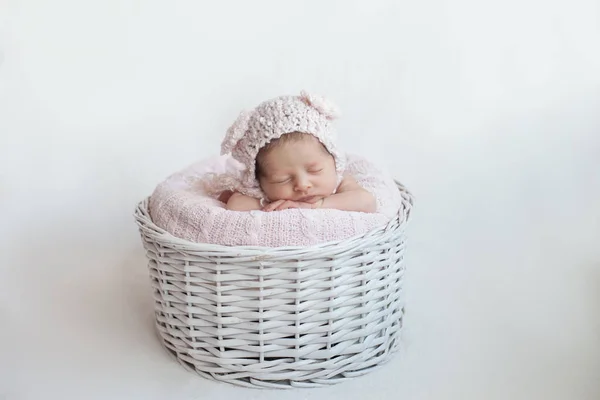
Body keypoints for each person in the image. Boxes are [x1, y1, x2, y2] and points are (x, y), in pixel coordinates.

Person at [204, 91, 376, 213]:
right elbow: (235, 205)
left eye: (315, 170)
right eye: (282, 179)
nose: (302, 185)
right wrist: (268, 203)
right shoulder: (262, 193)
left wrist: (318, 205)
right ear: (258, 181)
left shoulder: (339, 182)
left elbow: (367, 202)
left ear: (334, 161)